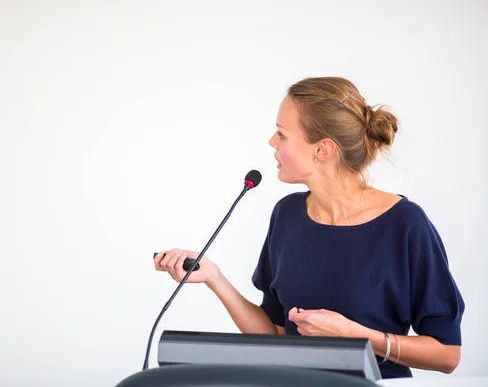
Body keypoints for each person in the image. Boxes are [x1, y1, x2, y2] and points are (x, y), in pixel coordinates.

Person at [153, 77, 464, 379]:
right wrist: (215, 278)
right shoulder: (287, 214)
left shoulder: (405, 224)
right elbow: (275, 333)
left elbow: (447, 354)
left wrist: (356, 336)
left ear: (322, 150)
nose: (271, 142)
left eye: (282, 134)